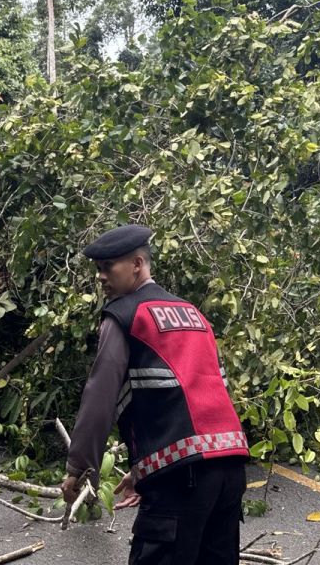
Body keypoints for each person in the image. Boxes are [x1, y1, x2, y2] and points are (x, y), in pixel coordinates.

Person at [60, 224, 249, 565]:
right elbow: (208, 390)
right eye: (98, 269)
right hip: (230, 467)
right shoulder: (193, 314)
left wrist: (80, 467)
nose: (101, 277)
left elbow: (99, 399)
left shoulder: (125, 315)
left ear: (137, 263)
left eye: (108, 267)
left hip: (181, 480)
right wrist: (145, 470)